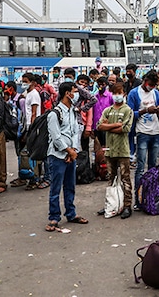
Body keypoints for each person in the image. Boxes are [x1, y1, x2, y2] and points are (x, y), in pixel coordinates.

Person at [44, 82, 88, 231]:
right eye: (74, 91)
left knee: (70, 186)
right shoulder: (54, 114)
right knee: (55, 188)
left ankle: (71, 213)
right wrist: (68, 151)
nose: (76, 94)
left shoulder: (72, 112)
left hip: (70, 154)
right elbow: (56, 137)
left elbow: (76, 131)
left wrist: (73, 149)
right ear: (67, 93)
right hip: (57, 155)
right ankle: (54, 217)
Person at [97, 83, 133, 219]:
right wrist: (115, 125)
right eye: (115, 93)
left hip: (122, 150)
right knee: (110, 178)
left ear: (124, 94)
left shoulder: (127, 110)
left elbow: (125, 128)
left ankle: (127, 205)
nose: (117, 95)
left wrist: (108, 126)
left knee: (125, 178)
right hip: (109, 150)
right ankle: (111, 204)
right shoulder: (107, 110)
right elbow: (99, 126)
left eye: (119, 92)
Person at [127, 70, 159, 198]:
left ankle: (151, 196)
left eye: (154, 85)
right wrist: (145, 110)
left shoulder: (156, 93)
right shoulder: (134, 93)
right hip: (142, 132)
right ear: (145, 81)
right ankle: (138, 198)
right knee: (140, 168)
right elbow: (130, 114)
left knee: (153, 166)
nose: (152, 87)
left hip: (156, 132)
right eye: (150, 84)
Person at [21, 72, 45, 190]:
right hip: (29, 126)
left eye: (26, 81)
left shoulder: (34, 94)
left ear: (33, 82)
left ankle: (35, 178)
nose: (23, 83)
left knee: (33, 154)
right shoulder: (28, 94)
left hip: (33, 127)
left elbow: (34, 113)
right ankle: (32, 177)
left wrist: (31, 129)